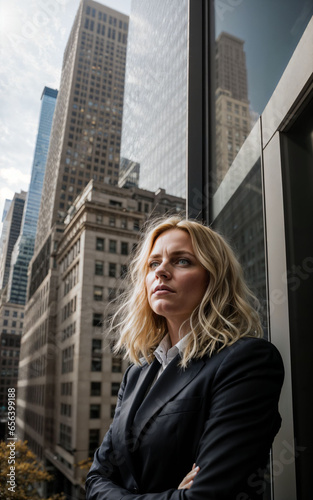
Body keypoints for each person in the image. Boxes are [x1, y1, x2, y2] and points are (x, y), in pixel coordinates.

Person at [86, 216, 284, 499]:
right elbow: (95, 479)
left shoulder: (248, 361)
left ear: (213, 279)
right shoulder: (137, 373)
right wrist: (172, 495)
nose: (161, 271)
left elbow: (209, 496)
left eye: (182, 261)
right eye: (153, 263)